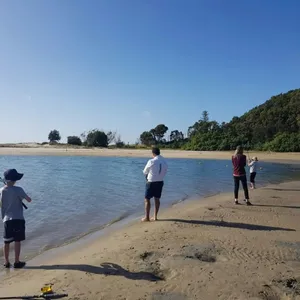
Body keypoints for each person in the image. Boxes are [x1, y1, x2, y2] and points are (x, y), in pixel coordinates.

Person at [0, 169, 32, 268]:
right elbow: (29, 200)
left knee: (6, 241)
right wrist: (19, 197)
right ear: (15, 180)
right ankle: (17, 262)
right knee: (17, 241)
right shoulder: (19, 189)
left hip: (6, 219)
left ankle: (6, 262)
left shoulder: (1, 190)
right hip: (18, 218)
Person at [142, 147, 168, 222]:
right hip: (160, 182)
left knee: (147, 199)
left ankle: (147, 217)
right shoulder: (164, 161)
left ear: (153, 153)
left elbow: (145, 172)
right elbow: (165, 170)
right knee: (157, 199)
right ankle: (155, 216)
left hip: (151, 182)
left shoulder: (151, 161)